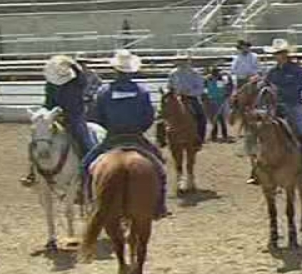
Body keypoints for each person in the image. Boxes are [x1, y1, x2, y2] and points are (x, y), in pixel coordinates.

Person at [83, 50, 168, 217]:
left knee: (85, 166)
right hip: (136, 136)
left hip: (113, 137)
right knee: (160, 166)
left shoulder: (104, 91)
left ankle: (88, 199)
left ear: (115, 70)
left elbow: (96, 116)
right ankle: (160, 205)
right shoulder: (142, 92)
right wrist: (139, 128)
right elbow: (148, 117)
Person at [21, 55, 96, 186]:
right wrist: (44, 112)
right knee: (36, 138)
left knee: (83, 139)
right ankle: (32, 171)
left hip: (74, 116)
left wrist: (73, 65)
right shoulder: (50, 84)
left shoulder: (77, 81)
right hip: (54, 115)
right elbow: (48, 102)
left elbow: (82, 78)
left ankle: (90, 170)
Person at [264, 38, 302, 183]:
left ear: (286, 54)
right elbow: (264, 88)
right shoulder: (271, 72)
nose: (277, 56)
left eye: (280, 53)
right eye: (275, 53)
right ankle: (257, 170)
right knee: (257, 134)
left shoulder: (296, 70)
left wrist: (277, 91)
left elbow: (296, 90)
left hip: (293, 107)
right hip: (274, 109)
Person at [161, 54, 209, 148]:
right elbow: (169, 85)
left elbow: (200, 88)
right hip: (175, 97)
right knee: (162, 115)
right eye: (179, 60)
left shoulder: (195, 73)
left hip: (190, 98)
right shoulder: (173, 73)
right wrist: (168, 92)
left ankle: (199, 139)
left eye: (183, 60)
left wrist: (189, 92)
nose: (181, 62)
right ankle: (162, 138)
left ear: (188, 61)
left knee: (201, 117)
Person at [205, 67, 231, 142]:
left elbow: (221, 91)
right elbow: (205, 90)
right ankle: (214, 135)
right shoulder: (207, 80)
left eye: (215, 74)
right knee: (213, 119)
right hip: (211, 101)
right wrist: (208, 96)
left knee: (220, 119)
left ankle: (224, 135)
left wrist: (222, 96)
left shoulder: (220, 81)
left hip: (219, 101)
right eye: (213, 74)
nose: (214, 75)